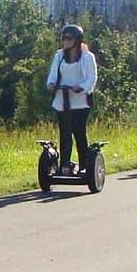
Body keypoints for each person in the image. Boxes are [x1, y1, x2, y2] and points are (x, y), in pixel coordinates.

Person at [46, 24, 97, 173]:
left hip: (81, 100)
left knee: (79, 131)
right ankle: (65, 165)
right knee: (64, 132)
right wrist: (51, 83)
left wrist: (81, 87)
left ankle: (84, 165)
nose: (65, 41)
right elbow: (53, 73)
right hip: (63, 99)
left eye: (68, 38)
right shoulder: (59, 56)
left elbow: (92, 78)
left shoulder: (87, 57)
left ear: (77, 40)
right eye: (63, 38)